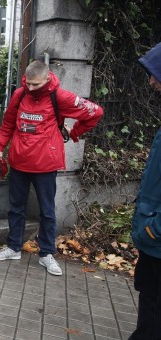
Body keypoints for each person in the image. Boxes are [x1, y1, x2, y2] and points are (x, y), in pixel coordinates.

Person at [0, 60, 103, 276]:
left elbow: (95, 112)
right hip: (19, 161)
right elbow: (8, 122)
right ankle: (13, 247)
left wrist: (74, 132)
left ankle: (47, 253)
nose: (31, 89)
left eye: (35, 85)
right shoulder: (19, 94)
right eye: (28, 83)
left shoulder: (60, 96)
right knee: (15, 207)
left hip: (45, 165)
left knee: (47, 211)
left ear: (47, 79)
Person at [129, 41, 161, 340]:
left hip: (158, 236)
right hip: (153, 236)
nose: (151, 81)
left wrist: (154, 229)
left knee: (153, 301)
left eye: (155, 74)